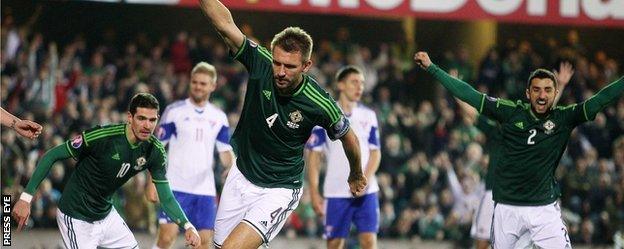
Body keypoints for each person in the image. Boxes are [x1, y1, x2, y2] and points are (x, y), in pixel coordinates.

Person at [198, 1, 367, 248]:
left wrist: (356, 172)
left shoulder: (319, 102)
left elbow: (349, 137)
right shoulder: (261, 62)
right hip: (241, 175)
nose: (280, 71)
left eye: (290, 66)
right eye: (277, 62)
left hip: (279, 189)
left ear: (306, 66)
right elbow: (225, 24)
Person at [415, 51, 622, 249]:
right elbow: (471, 95)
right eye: (536, 89)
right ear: (527, 93)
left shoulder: (563, 118)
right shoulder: (510, 112)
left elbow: (601, 99)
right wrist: (432, 68)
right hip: (508, 209)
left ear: (556, 92)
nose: (542, 95)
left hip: (544, 210)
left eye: (548, 90)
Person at [12, 93, 201, 249]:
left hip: (106, 214)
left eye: (152, 120)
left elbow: (166, 198)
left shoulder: (155, 151)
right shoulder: (103, 137)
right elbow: (51, 155)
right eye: (141, 118)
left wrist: (188, 226)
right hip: (77, 216)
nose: (147, 125)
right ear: (130, 117)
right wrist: (26, 198)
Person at [455, 62, 574, 249]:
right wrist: (458, 92)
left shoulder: (529, 128)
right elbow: (473, 111)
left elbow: (546, 116)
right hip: (495, 193)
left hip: (526, 200)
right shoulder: (495, 130)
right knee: (482, 242)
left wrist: (561, 86)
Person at [146, 62, 235, 249]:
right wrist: (151, 182)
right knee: (166, 238)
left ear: (213, 86)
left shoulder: (219, 117)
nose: (198, 86)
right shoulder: (174, 111)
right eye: (195, 82)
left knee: (203, 243)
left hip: (205, 190)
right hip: (175, 186)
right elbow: (156, 148)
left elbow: (225, 151)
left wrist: (232, 167)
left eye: (203, 83)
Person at [306, 66, 381, 249]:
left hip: (367, 191)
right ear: (340, 85)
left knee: (369, 241)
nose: (359, 87)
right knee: (334, 244)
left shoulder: (369, 116)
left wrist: (366, 179)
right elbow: (314, 157)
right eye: (354, 82)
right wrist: (314, 192)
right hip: (336, 190)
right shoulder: (325, 115)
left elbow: (375, 153)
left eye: (362, 83)